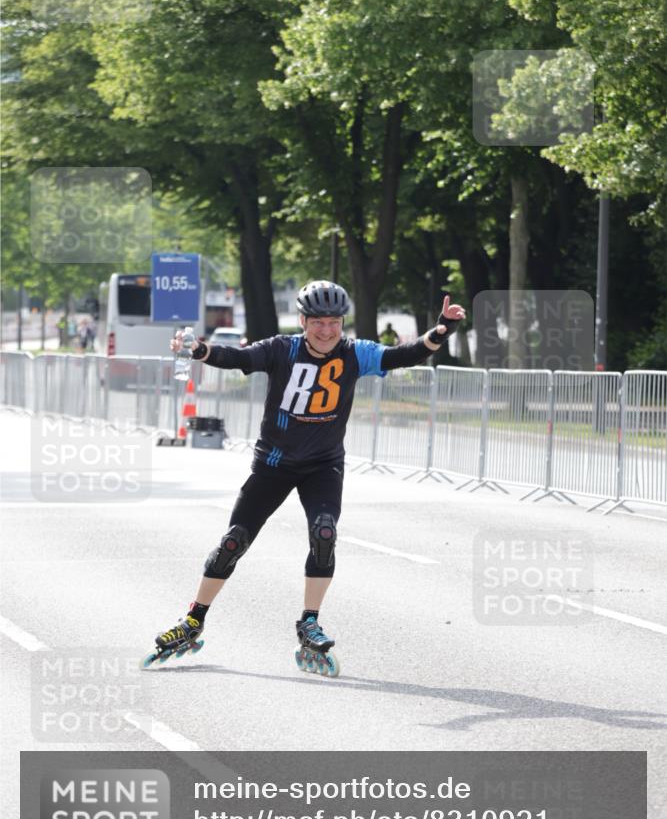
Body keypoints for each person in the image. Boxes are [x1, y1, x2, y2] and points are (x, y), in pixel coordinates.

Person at [150, 280, 466, 674]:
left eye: (334, 322)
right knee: (234, 541)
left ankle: (309, 622)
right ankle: (193, 621)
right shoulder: (282, 350)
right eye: (318, 322)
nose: (327, 330)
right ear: (303, 320)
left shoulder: (356, 354)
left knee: (324, 533)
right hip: (274, 465)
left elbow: (406, 355)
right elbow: (238, 358)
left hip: (322, 465)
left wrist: (441, 330)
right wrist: (199, 350)